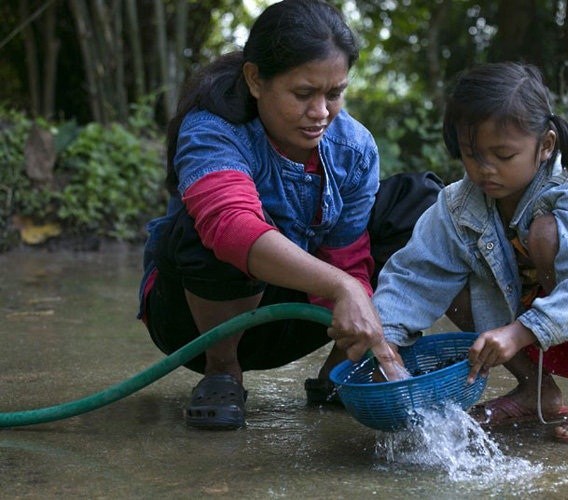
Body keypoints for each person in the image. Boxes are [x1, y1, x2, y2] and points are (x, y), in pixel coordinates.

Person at [137, 0, 442, 430]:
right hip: (195, 325)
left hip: (294, 318)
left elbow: (349, 254)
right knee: (209, 227)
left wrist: (361, 305)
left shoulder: (353, 147)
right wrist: (341, 287)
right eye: (303, 94)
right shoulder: (212, 129)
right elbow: (231, 229)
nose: (321, 112)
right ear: (255, 79)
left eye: (334, 94)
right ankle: (223, 372)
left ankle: (343, 371)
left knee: (422, 204)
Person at [372, 62, 568, 443]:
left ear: (545, 146)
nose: (485, 170)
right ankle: (535, 388)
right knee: (450, 273)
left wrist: (519, 332)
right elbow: (414, 274)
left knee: (545, 233)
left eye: (503, 156)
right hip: (537, 337)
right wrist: (385, 343)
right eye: (471, 155)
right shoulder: (457, 207)